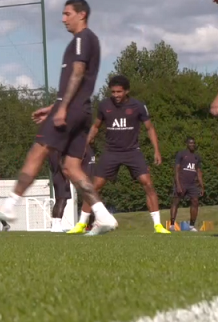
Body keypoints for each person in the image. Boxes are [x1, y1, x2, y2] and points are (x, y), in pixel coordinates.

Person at [0, 0, 119, 235]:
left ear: (82, 14)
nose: (63, 19)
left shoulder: (81, 39)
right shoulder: (88, 41)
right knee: (72, 168)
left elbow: (77, 73)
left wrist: (63, 107)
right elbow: (79, 82)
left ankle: (10, 205)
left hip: (71, 110)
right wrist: (53, 106)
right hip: (81, 111)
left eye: (68, 14)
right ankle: (103, 215)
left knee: (37, 151)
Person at [68, 75, 169, 234]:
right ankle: (81, 224)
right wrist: (85, 145)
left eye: (119, 92)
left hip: (132, 152)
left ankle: (158, 225)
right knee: (94, 187)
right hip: (111, 152)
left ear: (127, 91)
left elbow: (150, 128)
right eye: (113, 92)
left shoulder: (138, 106)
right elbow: (95, 127)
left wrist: (157, 150)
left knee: (148, 183)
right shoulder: (104, 105)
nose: (115, 95)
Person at [170, 137, 204, 231]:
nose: (192, 145)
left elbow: (198, 172)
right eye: (190, 143)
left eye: (193, 143)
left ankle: (191, 226)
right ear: (187, 144)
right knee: (176, 202)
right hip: (182, 182)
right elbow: (176, 170)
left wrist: (202, 186)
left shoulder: (197, 157)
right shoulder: (181, 154)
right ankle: (172, 225)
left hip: (192, 184)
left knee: (195, 202)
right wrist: (178, 184)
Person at [46, 149, 71, 233]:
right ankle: (58, 225)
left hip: (55, 176)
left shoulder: (51, 151)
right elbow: (61, 163)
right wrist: (66, 177)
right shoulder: (59, 150)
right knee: (62, 201)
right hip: (61, 177)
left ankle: (55, 224)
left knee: (58, 201)